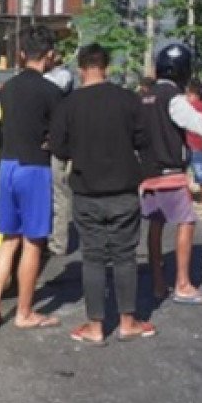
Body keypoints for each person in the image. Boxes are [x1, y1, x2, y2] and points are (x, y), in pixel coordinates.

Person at [51, 43, 155, 344]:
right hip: (123, 189)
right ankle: (127, 322)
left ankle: (95, 327)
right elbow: (143, 140)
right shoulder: (128, 100)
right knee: (125, 257)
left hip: (86, 190)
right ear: (106, 66)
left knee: (93, 258)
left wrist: (78, 151)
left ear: (81, 69)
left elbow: (58, 147)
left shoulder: (68, 105)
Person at [140, 44, 202, 305]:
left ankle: (159, 283)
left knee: (156, 224)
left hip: (147, 172)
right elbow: (191, 120)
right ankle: (182, 284)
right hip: (170, 172)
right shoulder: (173, 97)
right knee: (187, 221)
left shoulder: (146, 97)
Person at [0, 26, 63, 331]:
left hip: (9, 165)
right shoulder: (51, 92)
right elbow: (58, 135)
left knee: (8, 241)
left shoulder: (8, 89)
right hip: (33, 168)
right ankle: (25, 312)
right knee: (33, 242)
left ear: (20, 54)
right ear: (50, 56)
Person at [44, 51, 75, 257]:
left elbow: (53, 87)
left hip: (58, 145)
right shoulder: (49, 78)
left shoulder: (62, 76)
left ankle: (59, 242)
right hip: (49, 143)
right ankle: (49, 236)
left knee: (59, 193)